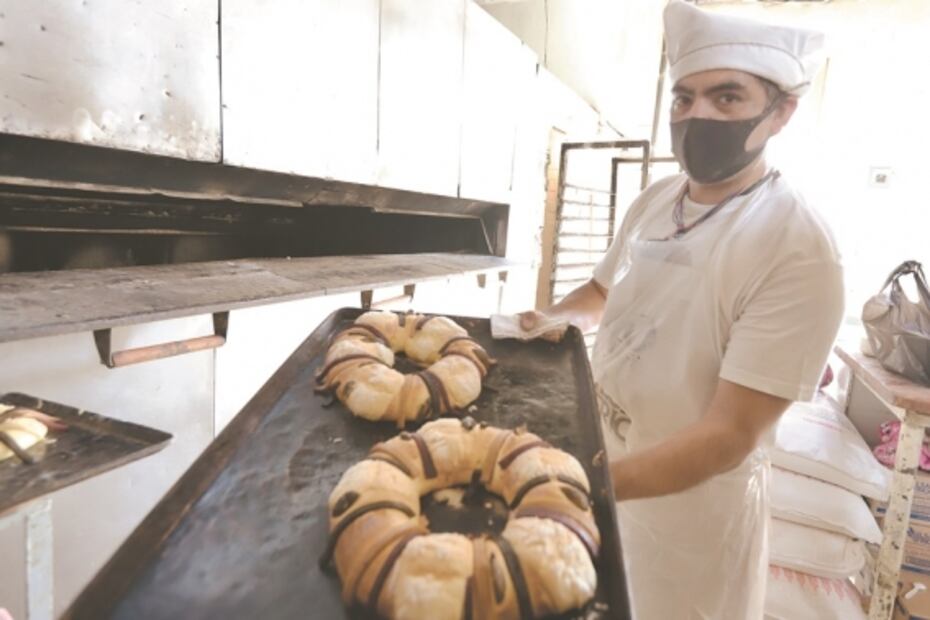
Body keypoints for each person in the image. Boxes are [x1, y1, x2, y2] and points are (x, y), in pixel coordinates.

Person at [519, 1, 844, 617]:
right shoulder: (656, 201)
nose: (698, 115)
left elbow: (729, 435)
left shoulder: (796, 246)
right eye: (684, 97)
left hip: (690, 519)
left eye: (727, 97)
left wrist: (582, 484)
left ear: (781, 112)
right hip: (602, 459)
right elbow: (601, 294)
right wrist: (546, 322)